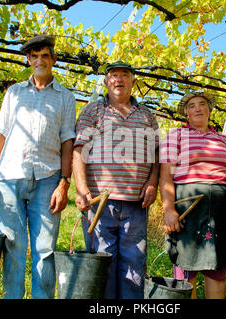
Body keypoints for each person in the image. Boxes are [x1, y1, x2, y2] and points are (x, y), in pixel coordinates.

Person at [0, 35, 76, 299]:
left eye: (45, 55)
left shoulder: (66, 98)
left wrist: (64, 183)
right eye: (34, 56)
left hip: (48, 179)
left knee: (45, 249)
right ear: (28, 60)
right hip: (9, 178)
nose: (40, 60)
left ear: (53, 60)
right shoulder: (14, 93)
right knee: (13, 246)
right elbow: (0, 135)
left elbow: (68, 142)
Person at [72, 61, 159, 299]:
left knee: (134, 263)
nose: (118, 80)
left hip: (136, 203)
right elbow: (78, 150)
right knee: (103, 262)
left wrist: (153, 183)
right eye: (113, 75)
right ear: (106, 81)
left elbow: (157, 154)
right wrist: (81, 189)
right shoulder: (93, 110)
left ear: (133, 82)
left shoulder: (147, 115)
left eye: (124, 75)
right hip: (100, 202)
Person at [159, 91, 226, 299]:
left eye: (202, 104)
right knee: (186, 263)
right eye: (192, 106)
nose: (198, 108)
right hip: (187, 208)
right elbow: (166, 176)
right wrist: (169, 209)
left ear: (209, 110)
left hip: (220, 210)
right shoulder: (177, 136)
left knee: (217, 266)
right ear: (186, 114)